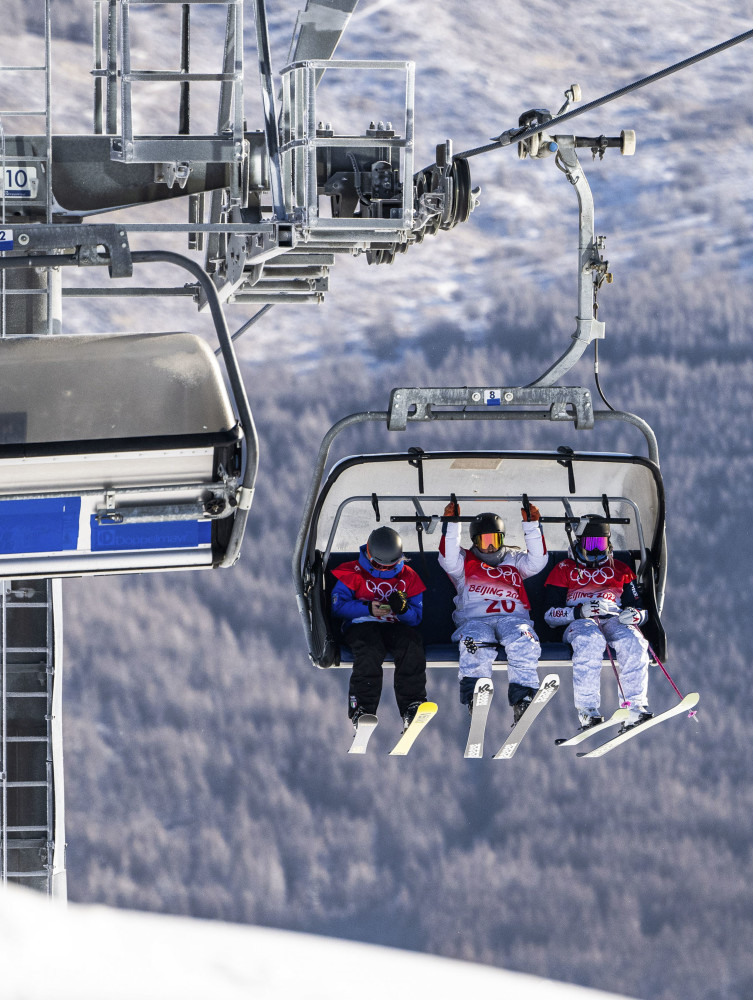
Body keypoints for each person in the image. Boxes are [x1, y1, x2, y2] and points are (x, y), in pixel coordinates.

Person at [439, 499, 547, 723]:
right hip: (476, 622)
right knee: (474, 643)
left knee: (525, 641)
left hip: (513, 620)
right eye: (484, 541)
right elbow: (447, 558)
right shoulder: (464, 563)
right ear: (475, 541)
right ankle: (475, 694)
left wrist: (532, 526)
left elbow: (538, 561)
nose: (490, 546)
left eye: (495, 540)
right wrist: (452, 524)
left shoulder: (514, 561)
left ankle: (523, 697)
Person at [543, 515, 652, 733]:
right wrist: (578, 612)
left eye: (600, 545)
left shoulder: (620, 570)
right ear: (579, 543)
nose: (595, 552)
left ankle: (634, 706)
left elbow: (640, 608)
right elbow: (549, 615)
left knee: (635, 641)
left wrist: (636, 616)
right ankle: (587, 708)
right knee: (590, 640)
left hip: (613, 617)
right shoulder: (564, 569)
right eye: (590, 545)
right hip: (580, 623)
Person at [331, 526, 428, 732]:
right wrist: (366, 607)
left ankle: (412, 705)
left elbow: (415, 617)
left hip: (393, 624)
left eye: (390, 566)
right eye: (377, 565)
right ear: (368, 554)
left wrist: (402, 609)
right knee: (369, 649)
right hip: (362, 624)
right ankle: (362, 708)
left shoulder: (408, 577)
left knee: (410, 643)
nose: (383, 571)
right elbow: (338, 606)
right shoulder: (353, 572)